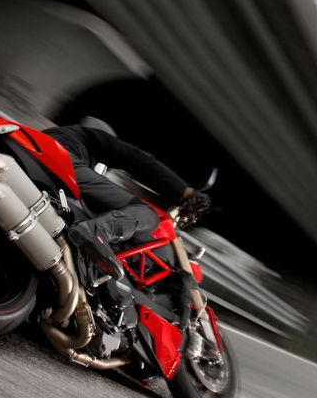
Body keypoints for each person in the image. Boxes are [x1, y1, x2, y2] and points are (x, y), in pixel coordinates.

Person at [43, 117, 208, 278]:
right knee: (147, 214)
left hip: (35, 167)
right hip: (56, 155)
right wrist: (184, 192)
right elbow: (137, 159)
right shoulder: (91, 136)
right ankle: (96, 231)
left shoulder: (62, 136)